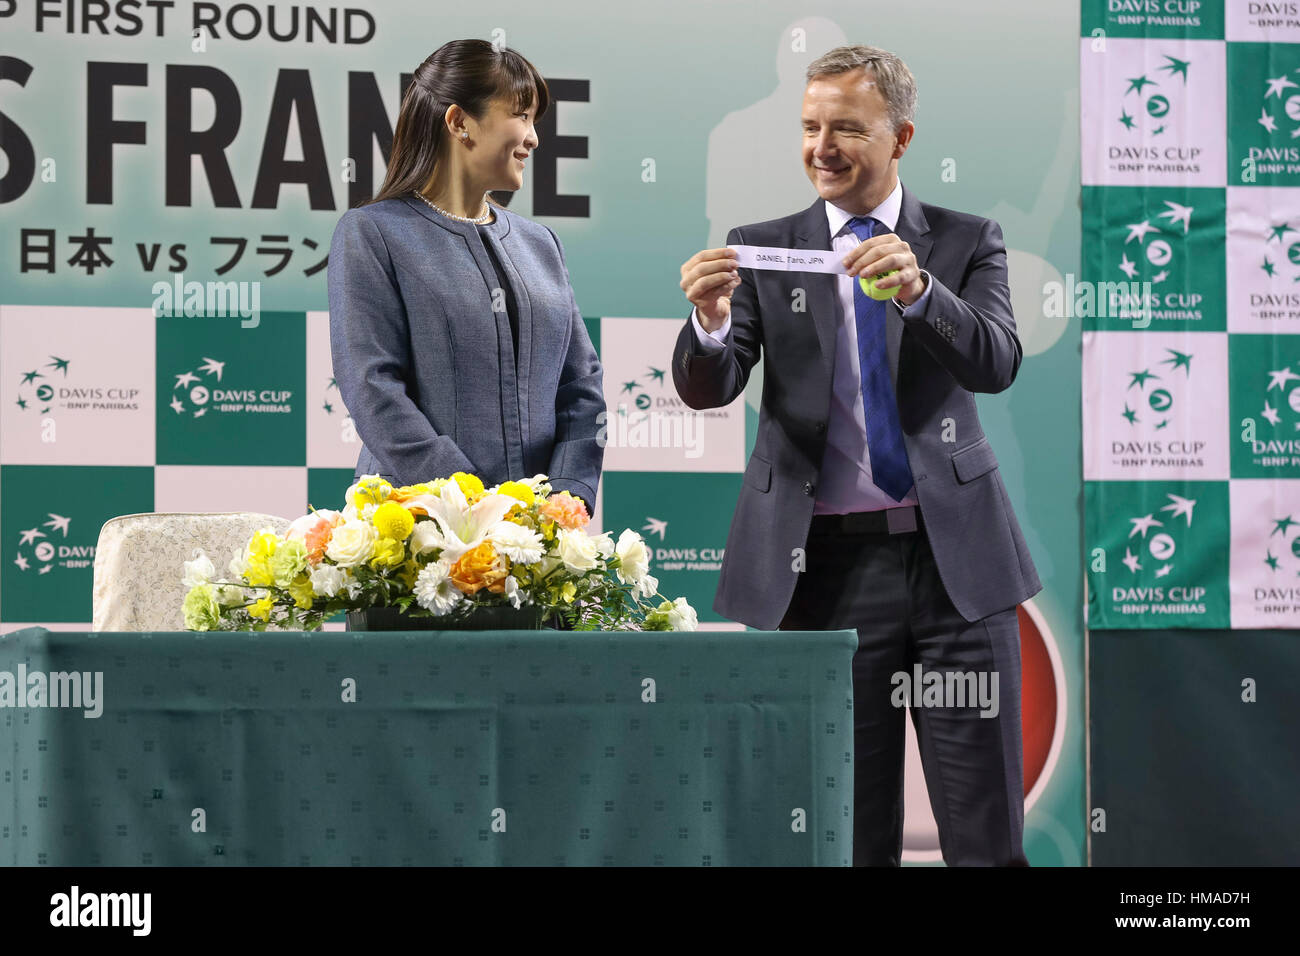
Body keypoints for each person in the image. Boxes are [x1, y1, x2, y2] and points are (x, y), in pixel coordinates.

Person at [673, 45, 1042, 866]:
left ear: (900, 137)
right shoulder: (760, 248)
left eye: (847, 127)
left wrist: (920, 292)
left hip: (956, 573)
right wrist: (706, 321)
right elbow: (711, 386)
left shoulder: (966, 240)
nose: (822, 146)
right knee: (843, 836)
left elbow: (996, 362)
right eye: (809, 127)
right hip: (823, 574)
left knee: (985, 835)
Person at [327, 38, 604, 521]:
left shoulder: (542, 244)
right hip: (414, 531)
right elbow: (372, 386)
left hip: (536, 539)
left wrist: (565, 498)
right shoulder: (372, 232)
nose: (534, 137)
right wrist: (472, 504)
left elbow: (582, 387)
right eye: (521, 115)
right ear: (458, 122)